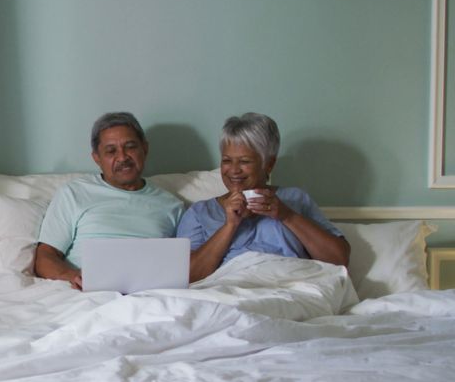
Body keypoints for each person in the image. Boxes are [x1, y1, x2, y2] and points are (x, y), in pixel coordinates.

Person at [175, 112, 349, 282]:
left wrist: (287, 216)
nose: (234, 170)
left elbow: (339, 260)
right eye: (227, 160)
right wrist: (230, 225)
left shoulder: (294, 199)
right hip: (229, 291)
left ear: (269, 164)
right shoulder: (199, 212)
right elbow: (187, 276)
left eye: (244, 161)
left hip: (289, 287)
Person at [34, 112, 185, 289]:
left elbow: (183, 264)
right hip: (87, 292)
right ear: (97, 158)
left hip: (149, 293)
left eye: (130, 147)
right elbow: (45, 256)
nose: (122, 157)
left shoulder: (172, 205)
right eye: (111, 151)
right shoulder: (74, 193)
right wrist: (72, 276)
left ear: (145, 149)